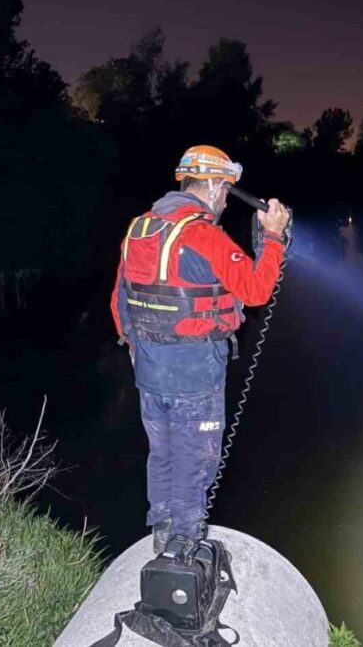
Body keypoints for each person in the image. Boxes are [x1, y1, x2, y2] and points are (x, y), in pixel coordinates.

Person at [110, 145, 290, 552]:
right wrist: (274, 238)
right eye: (225, 189)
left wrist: (136, 348)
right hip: (194, 373)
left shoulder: (140, 228)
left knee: (163, 453)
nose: (226, 198)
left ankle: (161, 529)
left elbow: (120, 299)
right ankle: (183, 546)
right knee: (196, 461)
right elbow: (256, 289)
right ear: (209, 185)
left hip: (150, 369)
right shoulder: (203, 235)